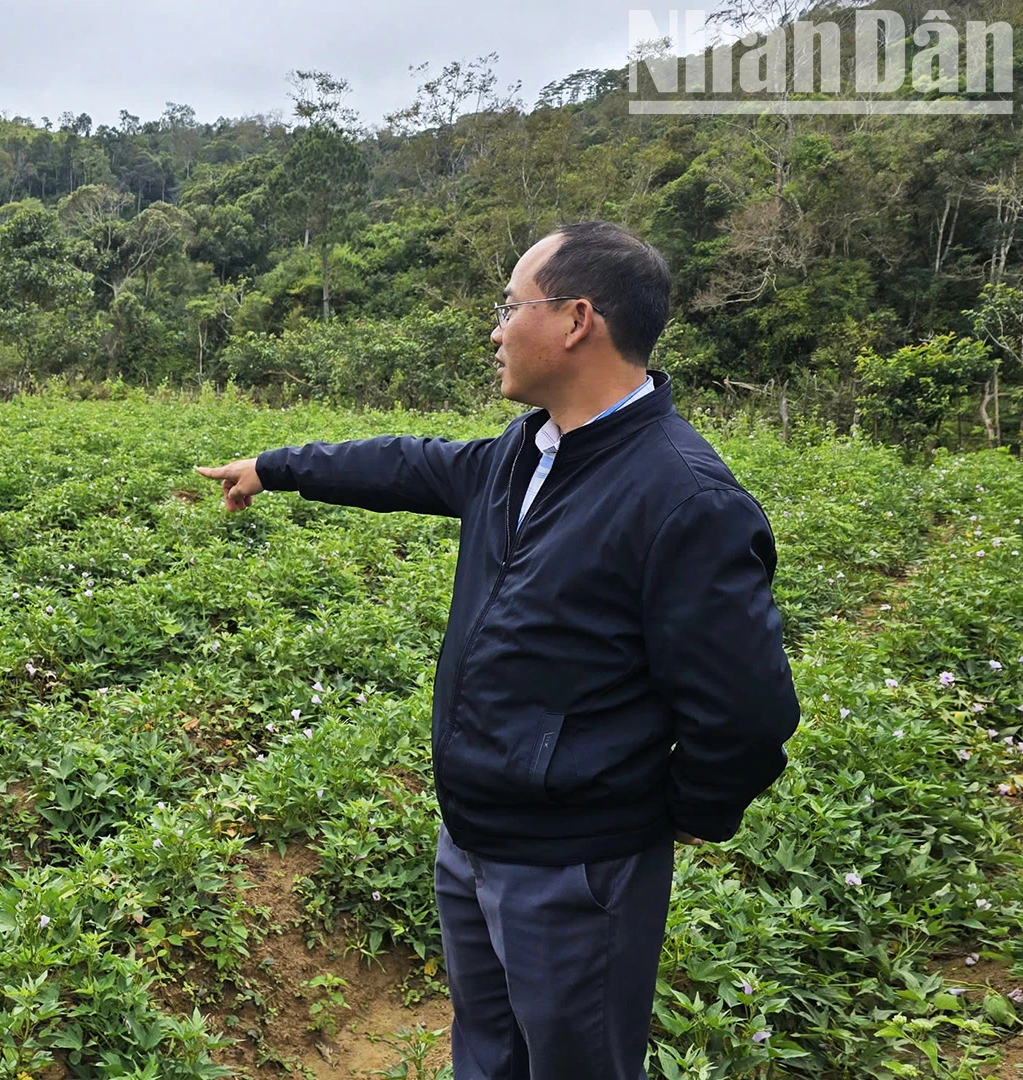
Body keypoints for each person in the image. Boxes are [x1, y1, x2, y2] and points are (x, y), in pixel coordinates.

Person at [195, 220, 799, 1080]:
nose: (494, 328)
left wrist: (658, 816)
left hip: (576, 867)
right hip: (474, 837)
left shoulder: (683, 498)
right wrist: (278, 465)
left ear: (575, 319)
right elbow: (410, 465)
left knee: (574, 1063)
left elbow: (747, 711)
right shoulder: (531, 449)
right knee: (486, 1057)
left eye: (508, 306)